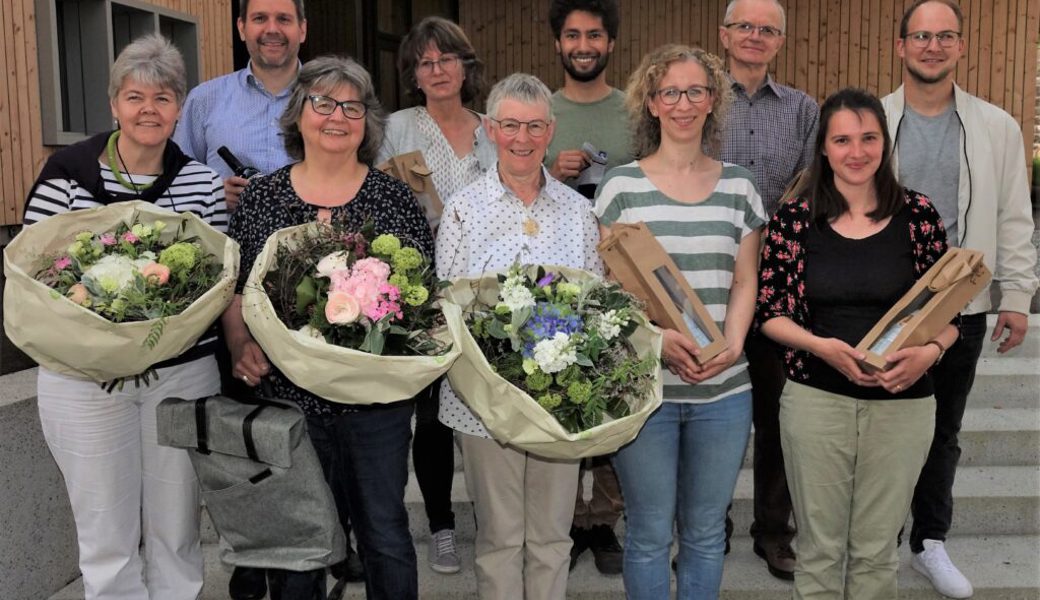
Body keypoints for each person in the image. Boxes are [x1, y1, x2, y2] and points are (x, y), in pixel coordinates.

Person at [22, 33, 226, 600]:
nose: (148, 110)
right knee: (106, 530)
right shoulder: (67, 172)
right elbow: (33, 272)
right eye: (135, 97)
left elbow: (215, 282)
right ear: (113, 104)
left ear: (179, 109)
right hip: (84, 380)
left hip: (180, 374)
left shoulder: (200, 183)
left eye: (163, 98)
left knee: (177, 525)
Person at [224, 55, 431, 600]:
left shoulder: (392, 199)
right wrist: (240, 343)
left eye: (352, 106)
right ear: (298, 114)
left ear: (367, 123)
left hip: (376, 405)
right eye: (322, 102)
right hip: (288, 398)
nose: (336, 116)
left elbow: (421, 300)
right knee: (300, 542)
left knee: (384, 534)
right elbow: (236, 289)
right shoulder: (264, 197)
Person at [756, 87, 960, 599]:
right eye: (842, 139)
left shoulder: (919, 217)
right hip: (815, 401)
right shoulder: (794, 220)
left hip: (903, 406)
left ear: (884, 144)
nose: (857, 151)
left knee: (874, 554)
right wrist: (822, 347)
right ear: (823, 148)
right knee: (821, 551)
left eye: (869, 138)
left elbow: (952, 315)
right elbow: (771, 313)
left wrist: (930, 353)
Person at [595, 45, 765, 599]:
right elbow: (611, 292)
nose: (683, 103)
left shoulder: (740, 187)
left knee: (704, 533)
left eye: (695, 91)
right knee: (646, 533)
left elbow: (745, 281)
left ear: (713, 100)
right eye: (670, 91)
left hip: (725, 393)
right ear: (650, 102)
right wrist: (656, 340)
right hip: (646, 391)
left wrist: (734, 343)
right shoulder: (620, 188)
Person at [881, 1, 1039, 597]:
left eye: (945, 36)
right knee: (877, 427)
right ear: (901, 47)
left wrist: (1017, 296)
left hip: (961, 310)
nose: (932, 46)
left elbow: (1013, 217)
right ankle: (874, 539)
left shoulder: (996, 125)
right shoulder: (873, 118)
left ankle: (929, 543)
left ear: (961, 46)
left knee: (942, 431)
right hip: (880, 306)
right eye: (920, 36)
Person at [435, 73, 602, 600]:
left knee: (553, 539)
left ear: (551, 130)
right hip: (485, 405)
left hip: (558, 404)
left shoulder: (579, 212)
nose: (522, 139)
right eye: (510, 125)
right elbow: (449, 307)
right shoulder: (463, 209)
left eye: (534, 126)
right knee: (501, 538)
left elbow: (594, 303)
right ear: (489, 128)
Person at [377, 17, 495, 575]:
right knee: (432, 416)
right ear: (413, 75)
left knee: (485, 402)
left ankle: (500, 523)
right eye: (425, 62)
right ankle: (442, 527)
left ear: (465, 66)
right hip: (419, 290)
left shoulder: (496, 129)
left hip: (488, 294)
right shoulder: (397, 128)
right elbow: (373, 196)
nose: (437, 69)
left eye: (446, 58)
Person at [717, 0, 818, 579]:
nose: (756, 36)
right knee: (714, 410)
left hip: (780, 283)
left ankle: (774, 531)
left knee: (779, 413)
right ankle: (710, 523)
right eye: (745, 26)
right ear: (725, 35)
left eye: (768, 29)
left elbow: (809, 192)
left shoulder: (804, 109)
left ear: (780, 40)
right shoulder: (698, 97)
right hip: (707, 281)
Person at [544, 0, 629, 574]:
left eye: (594, 35)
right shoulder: (540, 111)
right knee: (559, 391)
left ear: (610, 43)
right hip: (550, 280)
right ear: (558, 44)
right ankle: (563, 523)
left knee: (611, 392)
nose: (583, 45)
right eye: (572, 35)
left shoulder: (635, 111)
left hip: (620, 276)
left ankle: (602, 521)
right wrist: (551, 171)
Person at [173, 0, 307, 213]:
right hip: (225, 244)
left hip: (311, 243)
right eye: (260, 18)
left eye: (283, 19)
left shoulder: (329, 103)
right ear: (242, 28)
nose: (272, 29)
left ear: (302, 29)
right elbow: (176, 180)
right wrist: (213, 195)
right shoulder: (204, 99)